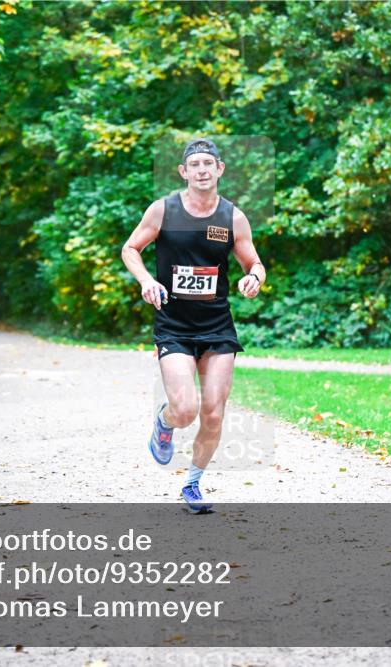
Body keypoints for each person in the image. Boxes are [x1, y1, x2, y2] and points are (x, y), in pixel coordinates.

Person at [121, 138, 265, 514]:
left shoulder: (232, 217)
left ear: (219, 170)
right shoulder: (163, 210)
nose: (202, 170)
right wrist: (146, 281)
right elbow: (130, 249)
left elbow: (254, 262)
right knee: (185, 410)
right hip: (173, 323)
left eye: (208, 163)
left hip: (217, 324)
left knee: (213, 411)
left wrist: (255, 278)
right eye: (194, 164)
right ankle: (166, 422)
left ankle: (192, 485)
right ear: (184, 172)